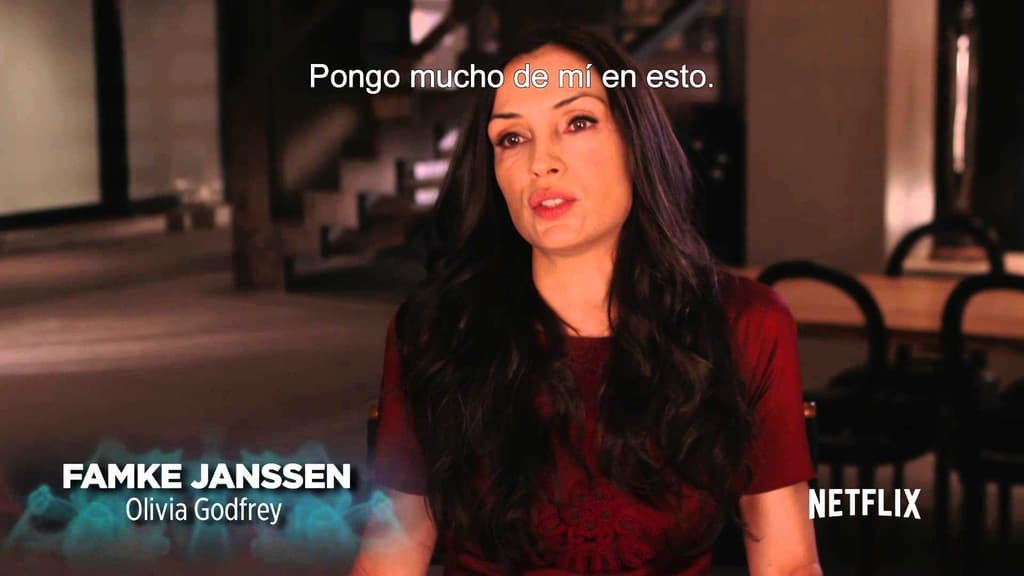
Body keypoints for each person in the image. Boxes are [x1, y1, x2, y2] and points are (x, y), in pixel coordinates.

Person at [352, 25, 820, 576]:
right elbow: (392, 552)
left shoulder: (747, 323)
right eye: (512, 138)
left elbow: (788, 562)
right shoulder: (434, 330)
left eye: (577, 122)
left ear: (635, 143)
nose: (541, 162)